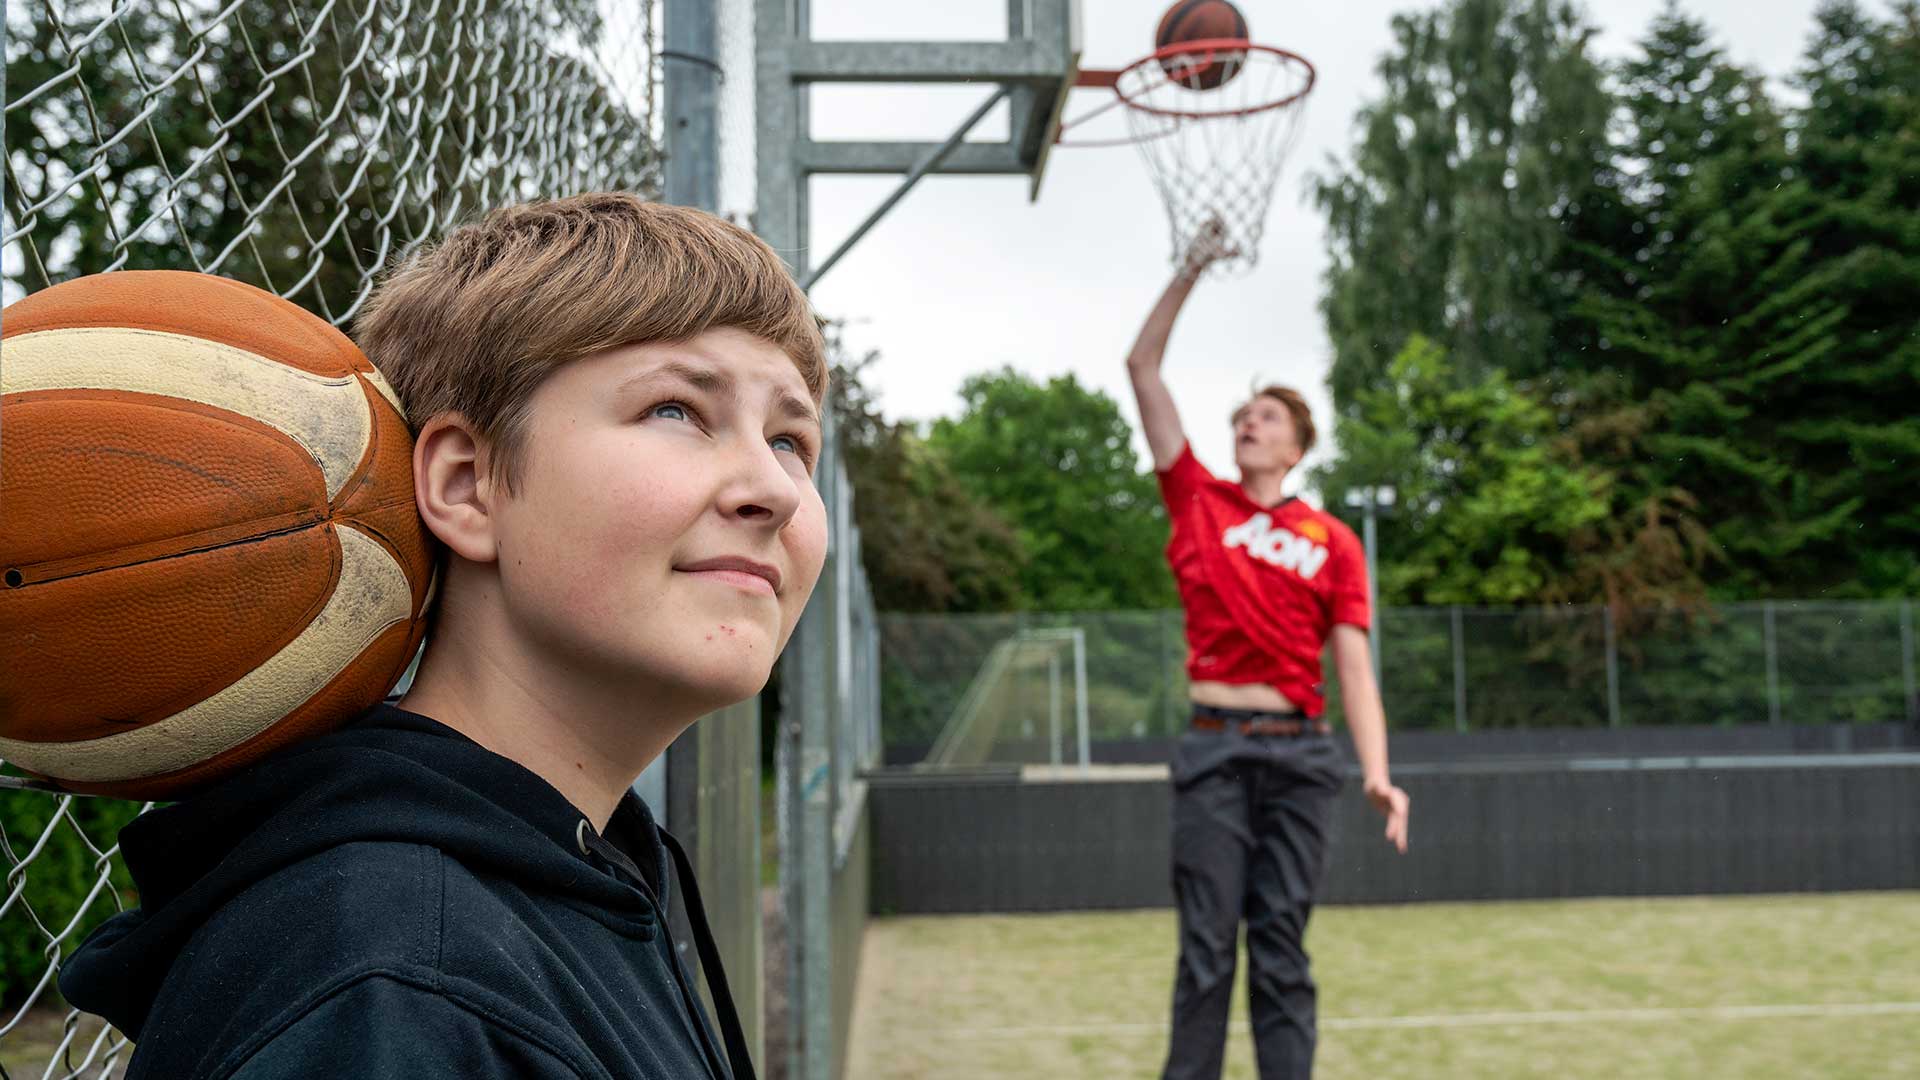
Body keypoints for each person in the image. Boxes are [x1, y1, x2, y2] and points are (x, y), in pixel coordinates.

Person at [59, 193, 827, 1080]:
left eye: (790, 440)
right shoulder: (391, 983)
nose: (771, 490)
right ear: (466, 486)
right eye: (676, 411)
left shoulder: (572, 871)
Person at [1127, 227, 1411, 1080]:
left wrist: (1378, 771)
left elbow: (1355, 666)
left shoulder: (1332, 541)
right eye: (1244, 416)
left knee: (1281, 949)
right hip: (1215, 749)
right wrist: (1191, 268)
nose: (1249, 425)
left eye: (1268, 418)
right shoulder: (1197, 500)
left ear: (1296, 448)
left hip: (1302, 756)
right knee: (1208, 951)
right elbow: (1143, 368)